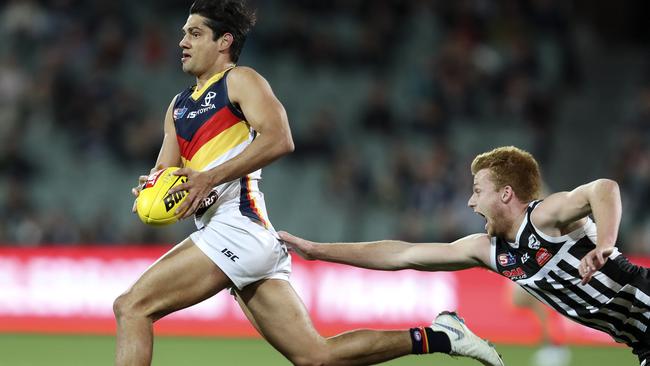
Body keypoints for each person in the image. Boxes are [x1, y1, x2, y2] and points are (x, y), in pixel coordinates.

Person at [113, 1, 504, 366]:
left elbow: (280, 138)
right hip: (239, 235)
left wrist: (208, 178)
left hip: (237, 228)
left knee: (132, 306)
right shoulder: (178, 107)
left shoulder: (240, 81)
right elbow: (166, 175)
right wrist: (151, 192)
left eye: (195, 33)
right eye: (184, 32)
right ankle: (441, 337)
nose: (182, 41)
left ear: (224, 42)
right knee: (316, 356)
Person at [281, 145, 650, 366]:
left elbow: (604, 189)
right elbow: (402, 254)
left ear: (506, 194)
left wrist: (604, 244)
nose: (471, 202)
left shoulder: (544, 217)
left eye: (477, 191)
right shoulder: (488, 251)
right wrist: (317, 251)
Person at [510, 285, 571, 366]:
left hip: (531, 281)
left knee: (538, 306)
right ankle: (551, 345)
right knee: (525, 303)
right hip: (521, 280)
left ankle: (552, 346)